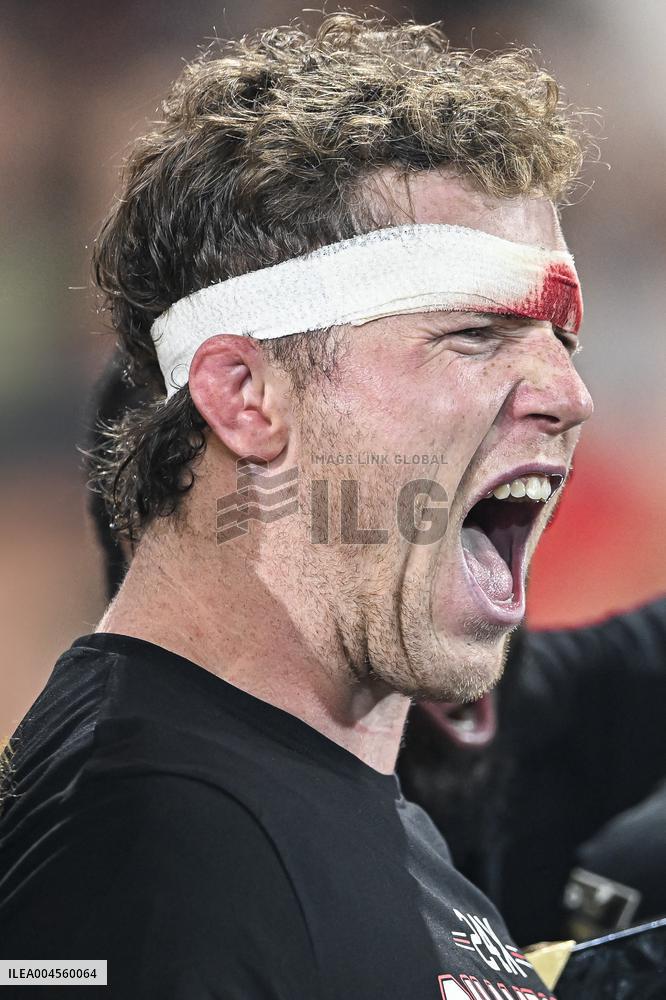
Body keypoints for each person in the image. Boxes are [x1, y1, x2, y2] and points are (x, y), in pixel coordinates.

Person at [0, 14, 594, 999]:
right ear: (245, 395)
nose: (569, 397)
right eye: (477, 336)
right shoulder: (152, 844)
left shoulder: (345, 821)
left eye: (559, 344)